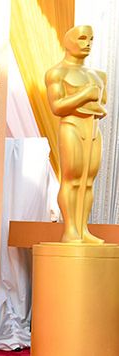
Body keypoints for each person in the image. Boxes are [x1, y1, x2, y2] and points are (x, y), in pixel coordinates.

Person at [45, 25, 108, 244]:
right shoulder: (57, 73)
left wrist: (96, 107)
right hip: (71, 126)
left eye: (91, 38)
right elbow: (57, 107)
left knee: (88, 181)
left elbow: (102, 107)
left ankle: (83, 229)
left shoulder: (99, 75)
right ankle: (70, 229)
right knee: (71, 179)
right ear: (68, 41)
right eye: (82, 38)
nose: (87, 43)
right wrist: (84, 95)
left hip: (93, 129)